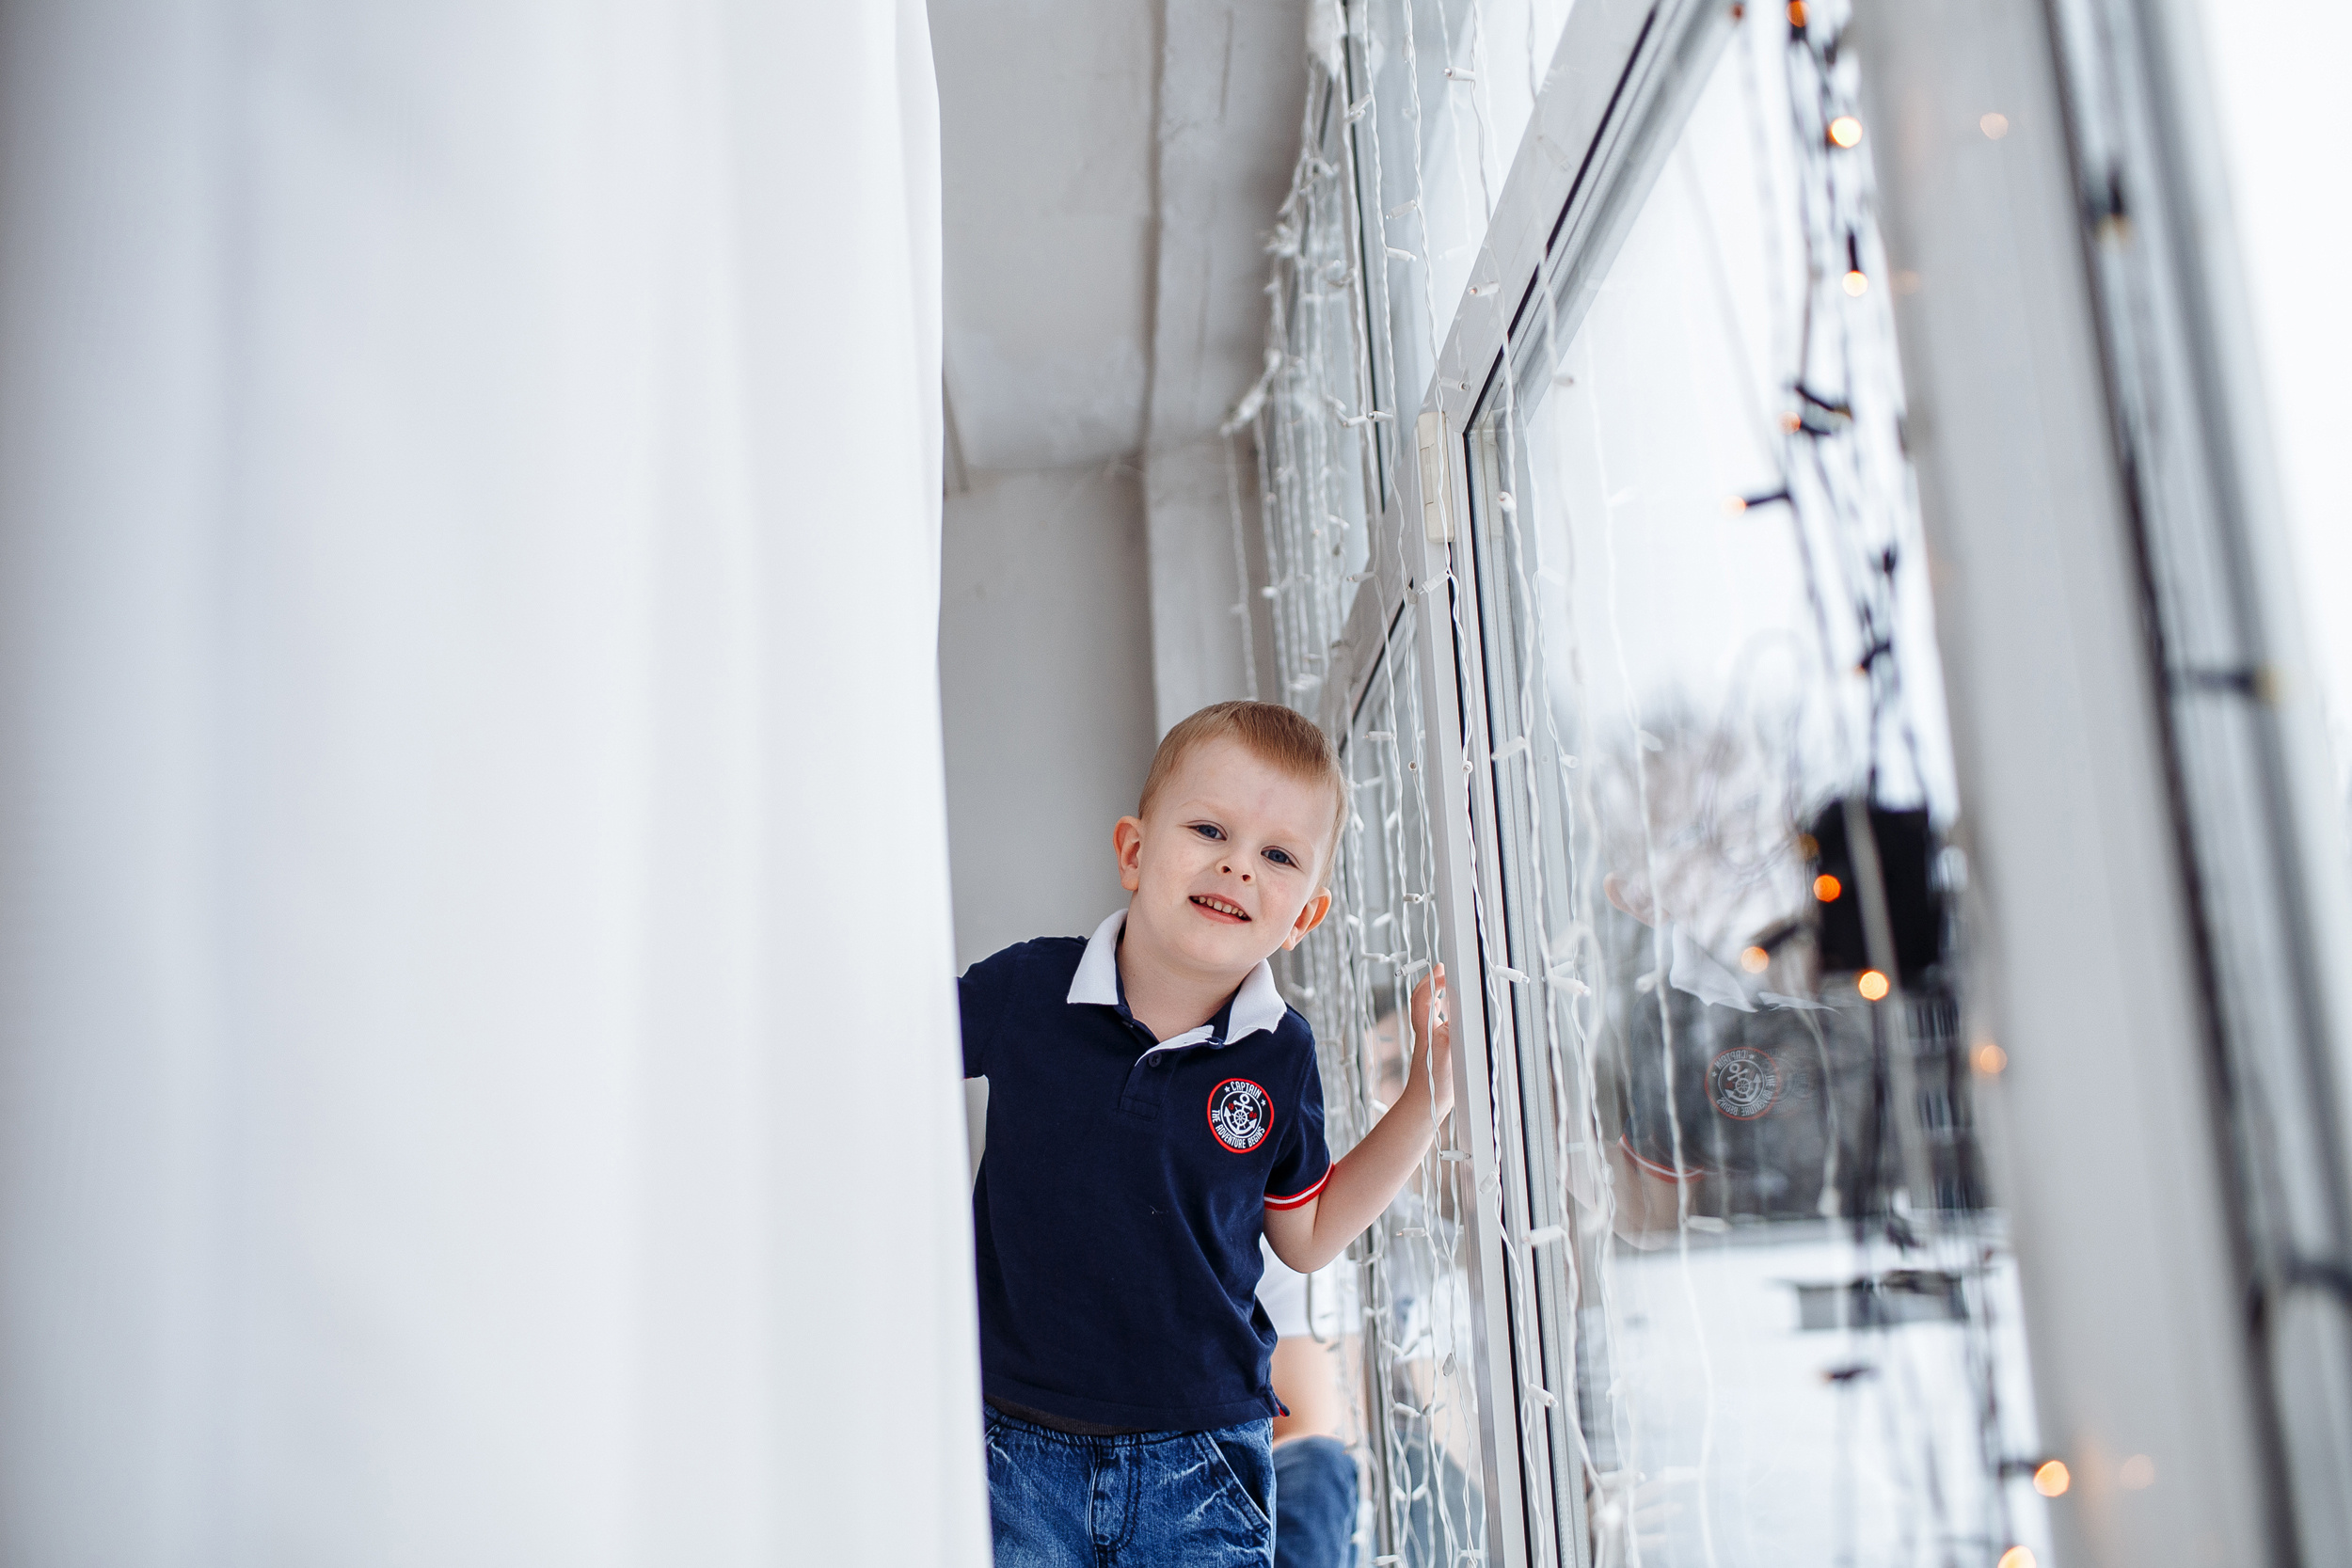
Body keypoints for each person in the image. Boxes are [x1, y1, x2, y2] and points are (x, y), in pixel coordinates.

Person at [959, 701, 1452, 1568]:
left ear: (1305, 914)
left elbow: (1304, 1234)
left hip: (1200, 1460)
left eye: (1277, 855)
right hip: (1013, 1442)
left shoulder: (1282, 1052)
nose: (1236, 864)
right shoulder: (1027, 989)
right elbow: (882, 1055)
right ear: (1135, 852)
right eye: (1210, 828)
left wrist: (1425, 1099)